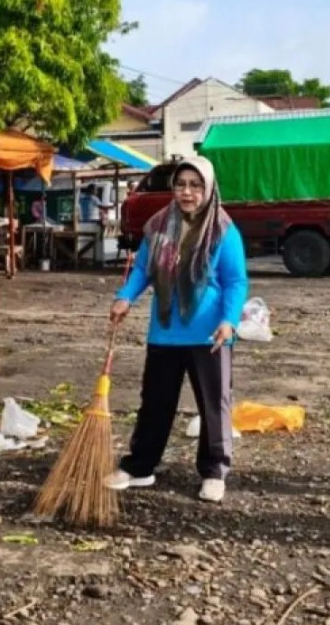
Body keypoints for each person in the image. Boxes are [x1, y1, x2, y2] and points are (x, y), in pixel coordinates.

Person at [105, 156, 248, 503]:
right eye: (182, 185)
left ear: (209, 189)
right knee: (155, 402)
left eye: (195, 186)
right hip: (165, 331)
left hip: (208, 333)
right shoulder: (157, 225)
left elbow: (235, 281)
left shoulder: (223, 230)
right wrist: (126, 297)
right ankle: (140, 467)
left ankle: (214, 470)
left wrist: (229, 321)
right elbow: (143, 269)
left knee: (214, 404)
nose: (187, 192)